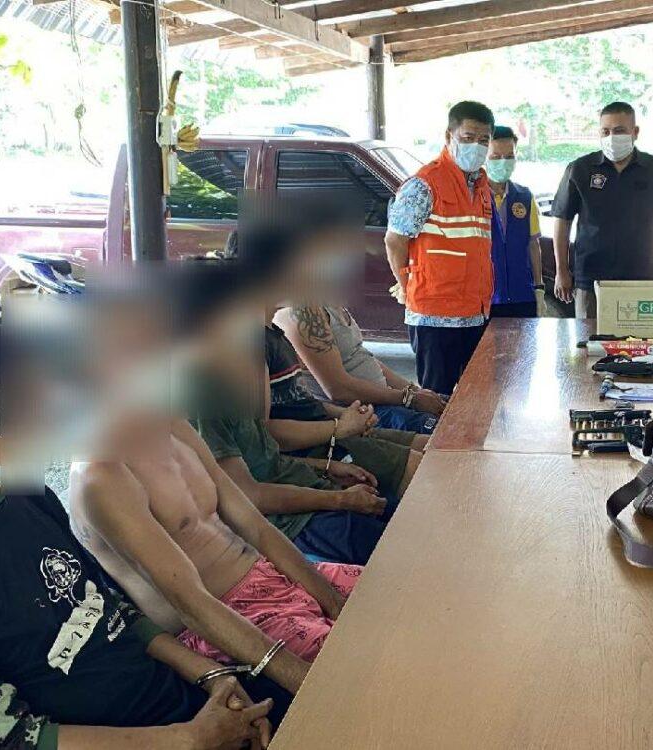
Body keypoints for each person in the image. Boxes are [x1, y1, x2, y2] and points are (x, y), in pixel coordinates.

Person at [0, 323, 277, 750]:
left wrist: (213, 677)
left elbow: (108, 607)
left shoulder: (30, 497)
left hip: (176, 699)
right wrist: (189, 739)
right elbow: (5, 738)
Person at [68, 414, 362, 695]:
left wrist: (333, 601)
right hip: (227, 622)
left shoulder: (172, 425)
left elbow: (256, 527)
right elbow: (190, 604)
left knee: (384, 595)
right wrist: (300, 678)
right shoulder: (101, 475)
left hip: (271, 576)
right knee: (361, 667)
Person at [384, 100, 495, 396]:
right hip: (435, 317)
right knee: (437, 399)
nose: (476, 146)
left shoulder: (481, 185)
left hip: (475, 312)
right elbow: (394, 241)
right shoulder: (425, 184)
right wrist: (406, 285)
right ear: (449, 136)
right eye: (468, 138)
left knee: (475, 398)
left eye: (483, 140)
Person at [193, 409, 396, 566]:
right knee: (397, 551)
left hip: (314, 489)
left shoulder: (233, 386)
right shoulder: (204, 405)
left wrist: (326, 467)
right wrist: (342, 499)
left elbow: (267, 457)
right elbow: (250, 497)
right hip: (291, 522)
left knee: (397, 510)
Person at [549, 101, 653, 318]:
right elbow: (562, 220)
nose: (612, 137)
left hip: (641, 277)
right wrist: (561, 270)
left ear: (635, 132)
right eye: (606, 131)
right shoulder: (580, 169)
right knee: (589, 337)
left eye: (619, 130)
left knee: (638, 338)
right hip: (590, 278)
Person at [274, 303, 446, 434]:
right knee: (443, 433)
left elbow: (365, 358)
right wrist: (408, 399)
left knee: (450, 408)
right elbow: (338, 389)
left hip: (386, 399)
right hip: (362, 410)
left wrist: (414, 391)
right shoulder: (300, 313)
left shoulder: (328, 302)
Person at [486, 125, 545, 318]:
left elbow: (533, 244)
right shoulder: (474, 197)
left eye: (509, 156)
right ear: (485, 157)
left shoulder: (524, 196)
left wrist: (539, 288)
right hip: (486, 296)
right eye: (496, 157)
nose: (503, 162)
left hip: (522, 294)